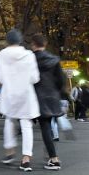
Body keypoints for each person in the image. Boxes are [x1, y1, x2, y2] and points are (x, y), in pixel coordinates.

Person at [0, 29, 40, 172]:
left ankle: (9, 152)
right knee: (26, 126)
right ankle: (26, 159)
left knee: (9, 122)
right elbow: (35, 78)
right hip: (26, 93)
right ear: (20, 41)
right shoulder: (29, 55)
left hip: (9, 94)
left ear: (7, 41)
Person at [31, 33, 65, 170]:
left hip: (38, 96)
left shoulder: (31, 59)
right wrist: (58, 93)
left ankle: (53, 158)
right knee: (51, 127)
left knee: (45, 127)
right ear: (44, 44)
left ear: (33, 44)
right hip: (53, 96)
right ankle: (52, 155)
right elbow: (61, 81)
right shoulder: (54, 59)